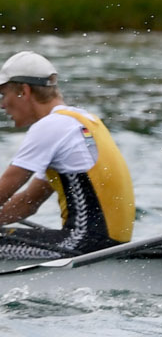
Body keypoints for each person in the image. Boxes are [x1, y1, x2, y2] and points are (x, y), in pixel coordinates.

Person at [0, 52, 134, 263]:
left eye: (3, 95)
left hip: (79, 245)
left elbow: (5, 188)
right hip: (107, 245)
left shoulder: (50, 126)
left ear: (23, 91)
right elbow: (28, 202)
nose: (2, 105)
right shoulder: (82, 121)